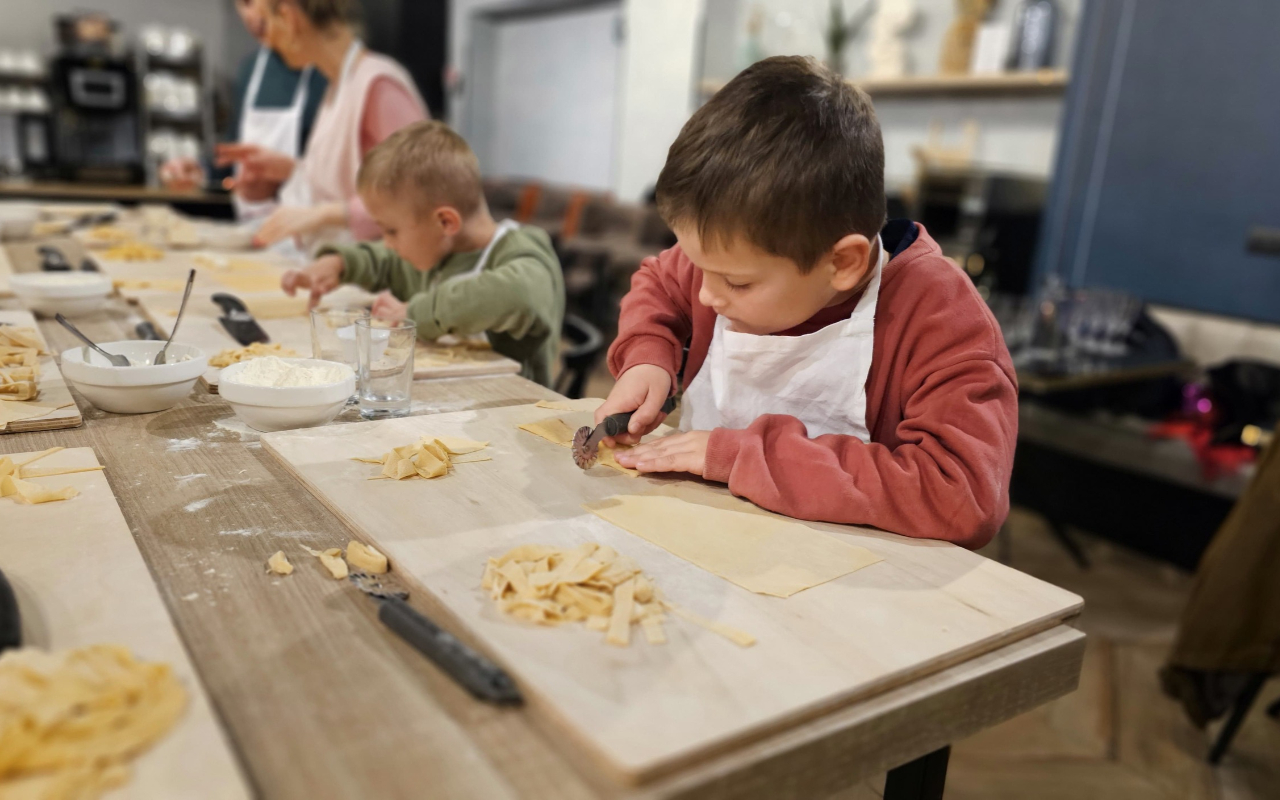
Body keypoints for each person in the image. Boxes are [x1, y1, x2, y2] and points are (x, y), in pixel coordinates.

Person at [597, 56, 1018, 548]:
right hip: (702, 539)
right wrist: (647, 356)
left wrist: (739, 456)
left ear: (842, 263)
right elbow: (661, 281)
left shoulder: (942, 320)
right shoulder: (737, 253)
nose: (706, 294)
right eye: (699, 265)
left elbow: (960, 494)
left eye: (737, 283)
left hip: (851, 585)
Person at [280, 121, 565, 387]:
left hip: (509, 413)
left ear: (445, 222)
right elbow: (384, 260)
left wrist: (417, 312)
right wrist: (339, 263)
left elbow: (519, 295)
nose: (388, 243)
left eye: (392, 231)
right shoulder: (432, 249)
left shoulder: (523, 253)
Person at [218, 0, 427, 252]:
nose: (269, 40)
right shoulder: (336, 86)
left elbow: (419, 196)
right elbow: (342, 184)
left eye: (268, 23)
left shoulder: (378, 84)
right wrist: (291, 170)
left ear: (289, 16)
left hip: (383, 278)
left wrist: (325, 214)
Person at [160, 0, 327, 215]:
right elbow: (235, 149)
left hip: (309, 229)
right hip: (251, 228)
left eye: (254, 2)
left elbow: (346, 177)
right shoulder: (250, 69)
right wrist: (202, 170)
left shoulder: (328, 72)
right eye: (243, 4)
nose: (251, 15)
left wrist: (289, 172)